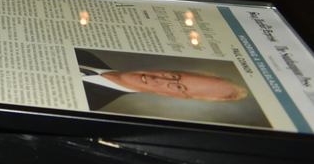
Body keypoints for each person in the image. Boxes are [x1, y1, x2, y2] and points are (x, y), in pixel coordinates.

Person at [76, 52, 247, 111]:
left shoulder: (88, 104)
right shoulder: (85, 55)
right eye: (174, 76)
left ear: (171, 95)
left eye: (178, 87)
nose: (158, 80)